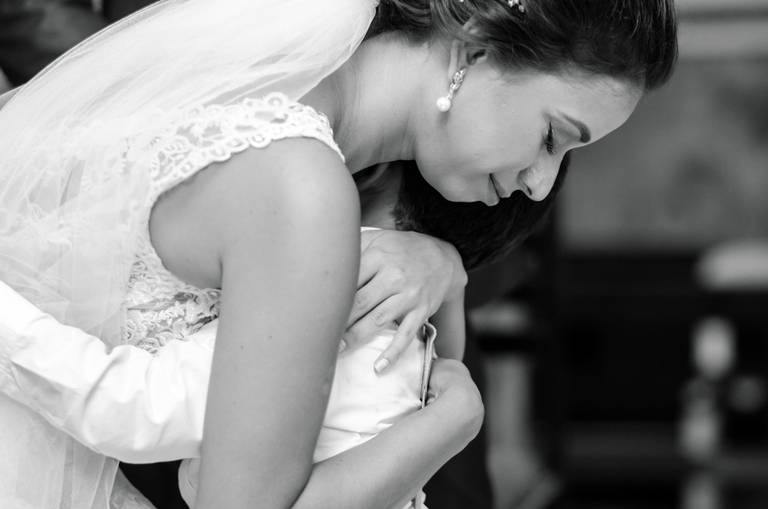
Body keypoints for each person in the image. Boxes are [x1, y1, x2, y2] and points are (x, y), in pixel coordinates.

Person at [0, 0, 678, 508]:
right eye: (554, 137)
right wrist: (453, 419)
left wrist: (446, 270)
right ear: (471, 54)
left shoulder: (252, 93)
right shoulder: (304, 191)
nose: (539, 183)